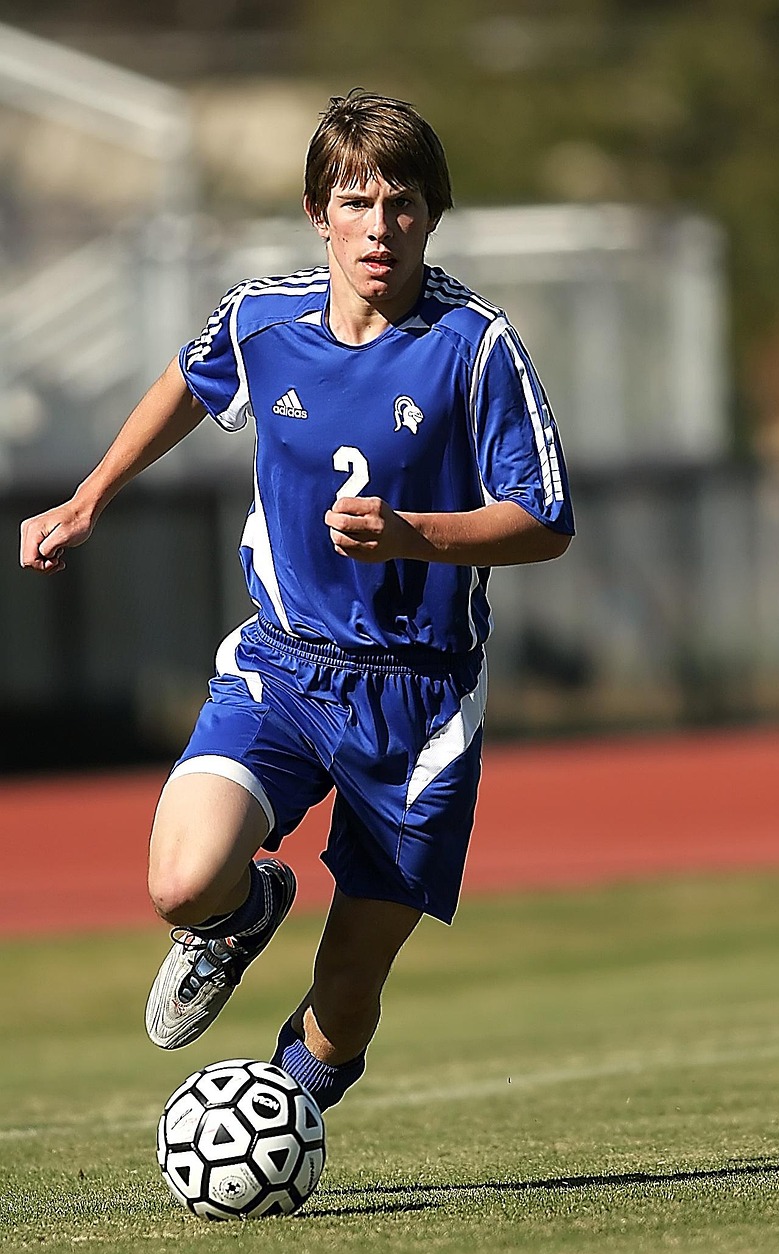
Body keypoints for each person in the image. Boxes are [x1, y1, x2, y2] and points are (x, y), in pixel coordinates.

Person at [19, 91, 574, 1113]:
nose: (378, 225)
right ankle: (239, 915)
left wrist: (413, 532)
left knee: (349, 988)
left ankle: (283, 1117)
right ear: (318, 211)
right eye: (355, 200)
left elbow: (542, 519)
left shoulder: (476, 348)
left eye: (401, 203)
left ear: (430, 215)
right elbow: (190, 381)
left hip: (419, 704)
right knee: (181, 881)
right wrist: (90, 494)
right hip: (284, 664)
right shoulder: (261, 319)